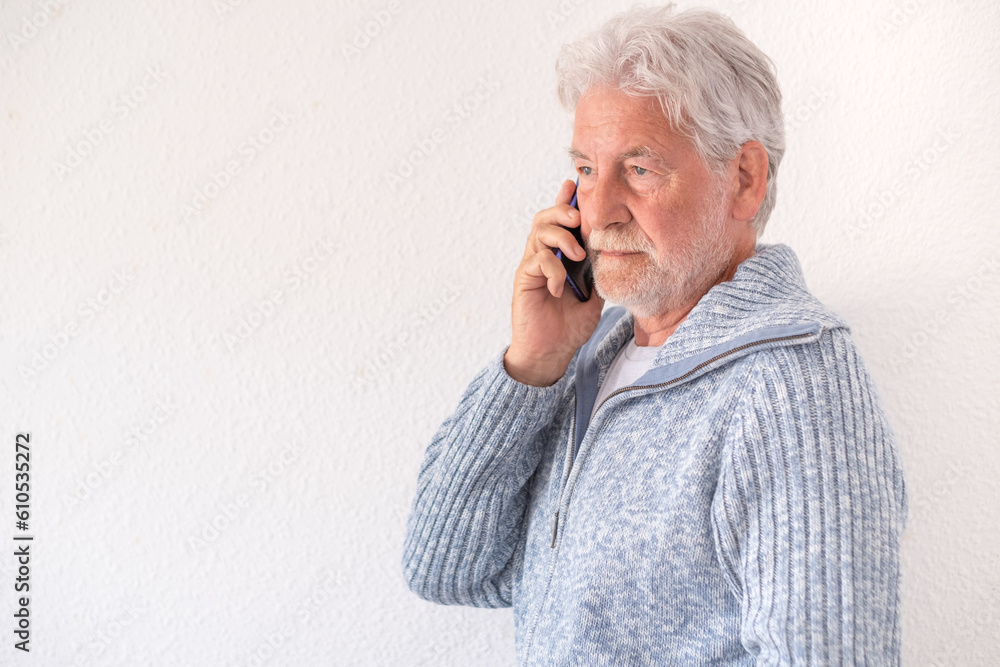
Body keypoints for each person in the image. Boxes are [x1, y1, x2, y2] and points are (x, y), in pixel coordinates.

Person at [402, 5, 906, 665]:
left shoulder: (794, 384)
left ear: (744, 179)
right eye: (586, 170)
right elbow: (445, 567)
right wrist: (533, 364)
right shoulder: (591, 359)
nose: (599, 212)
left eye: (639, 170)